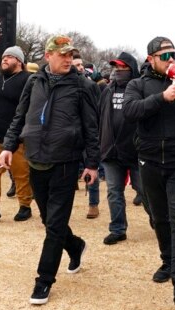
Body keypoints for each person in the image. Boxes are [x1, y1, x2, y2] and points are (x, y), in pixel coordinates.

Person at [0, 35, 99, 305]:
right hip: (35, 160)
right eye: (62, 54)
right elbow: (19, 116)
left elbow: (92, 127)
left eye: (70, 55)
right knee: (48, 220)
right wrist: (9, 145)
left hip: (65, 163)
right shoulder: (34, 81)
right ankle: (75, 246)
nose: (68, 59)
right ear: (48, 56)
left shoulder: (82, 86)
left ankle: (44, 280)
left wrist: (92, 163)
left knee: (54, 226)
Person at [123, 36, 175, 306]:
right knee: (159, 218)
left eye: (174, 55)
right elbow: (131, 111)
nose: (172, 60)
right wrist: (162, 97)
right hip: (149, 162)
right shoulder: (138, 84)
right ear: (151, 59)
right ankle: (168, 261)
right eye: (165, 56)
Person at [99, 51, 148, 245]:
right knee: (113, 192)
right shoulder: (106, 90)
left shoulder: (139, 89)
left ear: (132, 69)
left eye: (123, 68)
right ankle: (118, 228)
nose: (118, 71)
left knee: (145, 191)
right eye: (116, 67)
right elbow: (99, 118)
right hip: (111, 151)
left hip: (135, 151)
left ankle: (159, 221)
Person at [0, 45, 34, 222]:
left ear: (19, 61)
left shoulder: (28, 79)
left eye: (9, 57)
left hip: (17, 137)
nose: (4, 59)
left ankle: (25, 206)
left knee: (21, 173)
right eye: (4, 57)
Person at [73, 52, 102, 219]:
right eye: (77, 65)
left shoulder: (92, 86)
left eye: (81, 64)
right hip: (70, 134)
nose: (81, 67)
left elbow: (98, 110)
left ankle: (93, 204)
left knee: (92, 168)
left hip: (89, 134)